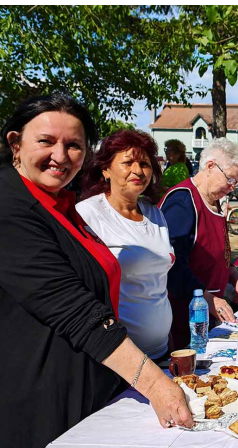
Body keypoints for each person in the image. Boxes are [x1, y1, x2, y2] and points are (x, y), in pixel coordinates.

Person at [0, 95, 193, 448]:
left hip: (65, 390)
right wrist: (153, 382)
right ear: (15, 143)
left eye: (74, 145)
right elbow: (72, 308)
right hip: (15, 403)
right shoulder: (4, 208)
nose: (61, 156)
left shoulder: (58, 201)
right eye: (46, 141)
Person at [76, 130, 173, 361]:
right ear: (105, 169)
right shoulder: (88, 214)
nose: (138, 171)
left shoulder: (154, 213)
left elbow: (157, 283)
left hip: (161, 351)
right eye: (128, 162)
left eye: (145, 164)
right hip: (121, 360)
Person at [160, 138, 238, 351]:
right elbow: (172, 265)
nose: (232, 187)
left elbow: (213, 248)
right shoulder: (182, 202)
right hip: (182, 317)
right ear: (210, 166)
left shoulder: (214, 200)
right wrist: (207, 298)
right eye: (230, 179)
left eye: (236, 182)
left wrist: (232, 272)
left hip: (206, 316)